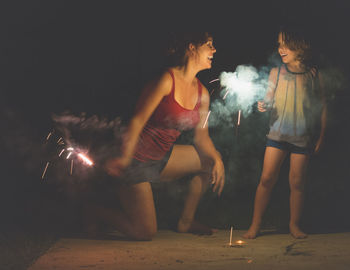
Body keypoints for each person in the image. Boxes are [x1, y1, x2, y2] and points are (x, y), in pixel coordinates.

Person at [84, 32, 225, 241]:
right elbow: (137, 121)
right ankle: (94, 211)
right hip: (135, 161)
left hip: (162, 158)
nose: (214, 50)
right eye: (209, 45)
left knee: (208, 162)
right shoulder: (166, 81)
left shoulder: (203, 93)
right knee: (145, 232)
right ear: (191, 47)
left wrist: (217, 158)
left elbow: (201, 137)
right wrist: (124, 158)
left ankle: (185, 222)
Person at [243, 25, 327, 239]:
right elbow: (269, 98)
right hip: (277, 136)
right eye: (279, 44)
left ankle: (294, 225)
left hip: (302, 138)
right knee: (266, 178)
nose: (280, 49)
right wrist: (265, 104)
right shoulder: (276, 72)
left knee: (297, 183)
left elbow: (322, 106)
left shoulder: (313, 74)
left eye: (286, 44)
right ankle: (255, 225)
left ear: (300, 47)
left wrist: (321, 137)